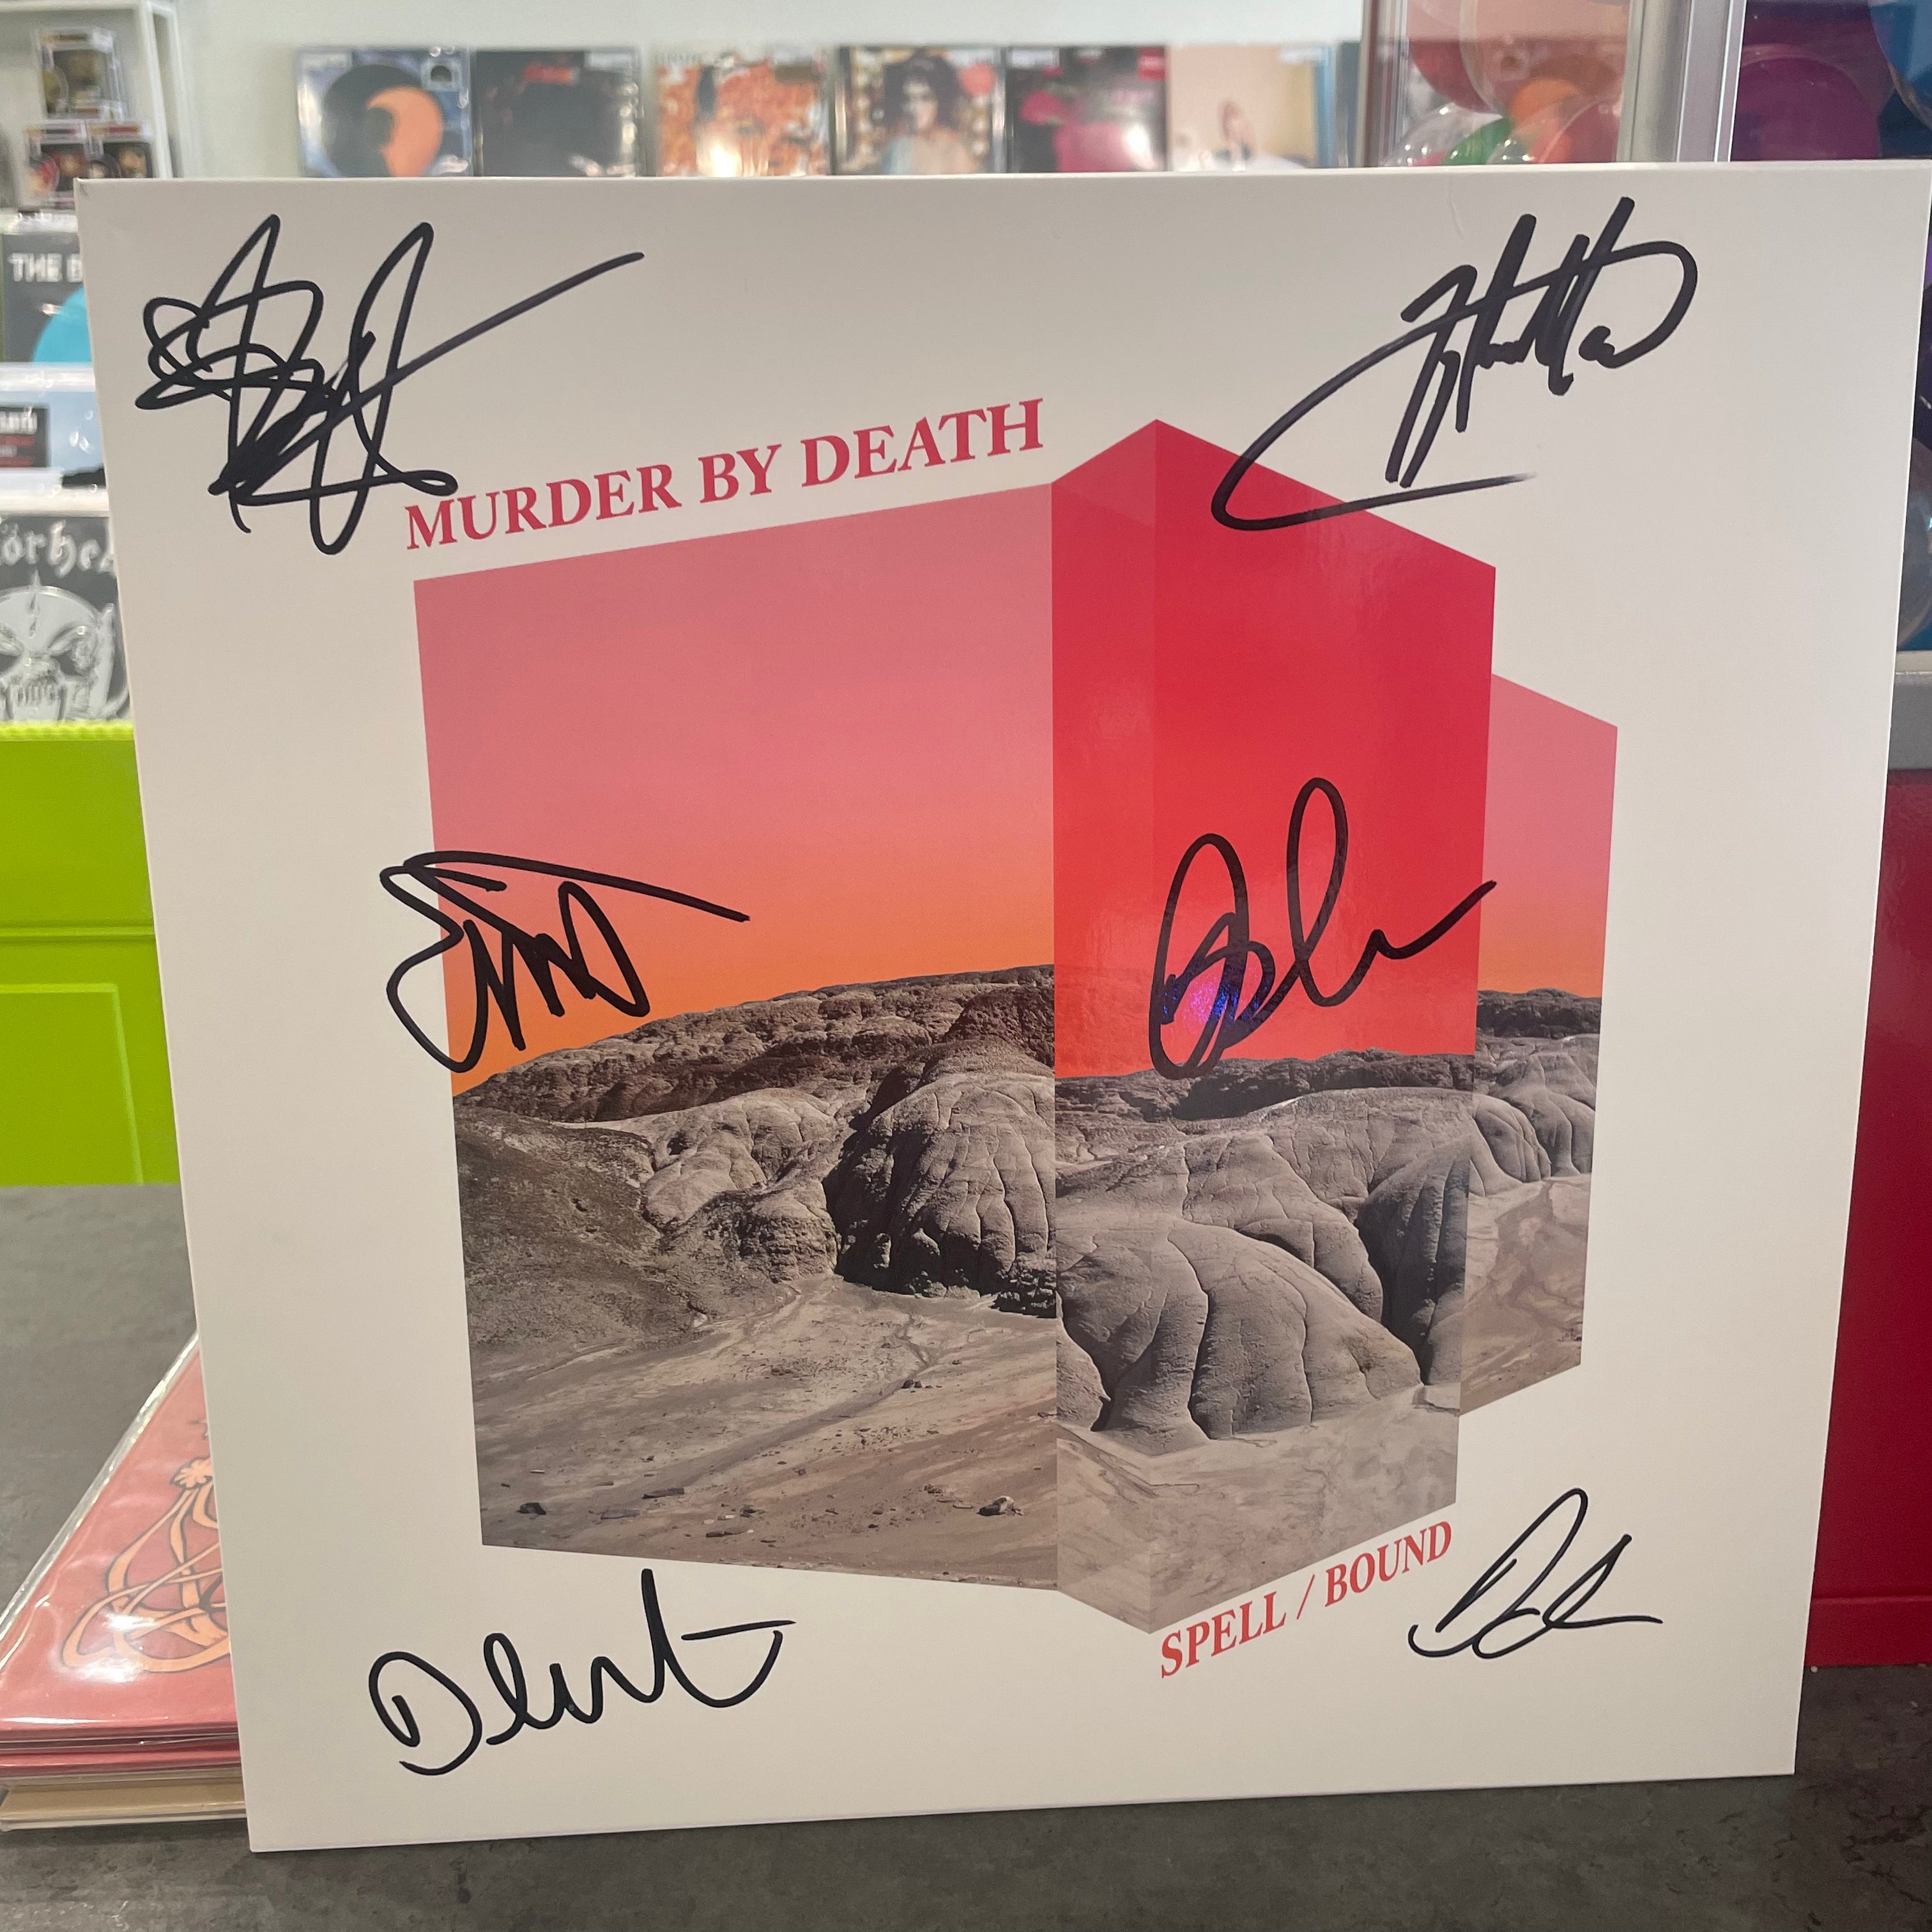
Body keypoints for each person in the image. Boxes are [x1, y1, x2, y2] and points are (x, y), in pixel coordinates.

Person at [879, 54, 976, 174]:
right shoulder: (899, 148)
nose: (914, 108)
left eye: (925, 98)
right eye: (909, 99)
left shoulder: (956, 153)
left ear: (942, 102)